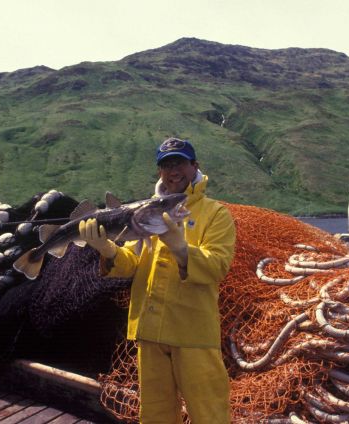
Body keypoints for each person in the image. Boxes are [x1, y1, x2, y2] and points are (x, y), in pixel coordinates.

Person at [79, 137, 236, 423]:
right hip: (149, 333)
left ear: (195, 166)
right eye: (165, 165)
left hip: (194, 334)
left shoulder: (216, 214)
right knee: (154, 414)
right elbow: (131, 264)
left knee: (209, 413)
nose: (173, 170)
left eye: (179, 162)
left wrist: (181, 248)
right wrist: (108, 250)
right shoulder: (145, 211)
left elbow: (218, 267)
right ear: (159, 172)